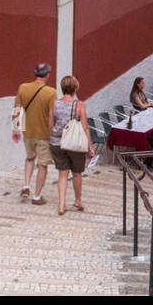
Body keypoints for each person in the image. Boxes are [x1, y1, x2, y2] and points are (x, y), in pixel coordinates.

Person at [47, 75, 93, 215]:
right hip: (74, 144)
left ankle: (61, 205)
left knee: (62, 173)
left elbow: (50, 125)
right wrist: (90, 147)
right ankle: (78, 200)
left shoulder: (54, 104)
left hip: (57, 142)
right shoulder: (79, 105)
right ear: (75, 88)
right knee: (77, 173)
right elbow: (85, 127)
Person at [16, 63, 57, 205]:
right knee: (43, 165)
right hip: (44, 134)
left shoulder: (23, 87)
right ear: (47, 75)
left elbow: (16, 110)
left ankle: (26, 186)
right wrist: (53, 133)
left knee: (29, 158)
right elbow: (52, 115)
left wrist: (16, 129)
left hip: (28, 131)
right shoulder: (51, 92)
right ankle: (37, 196)